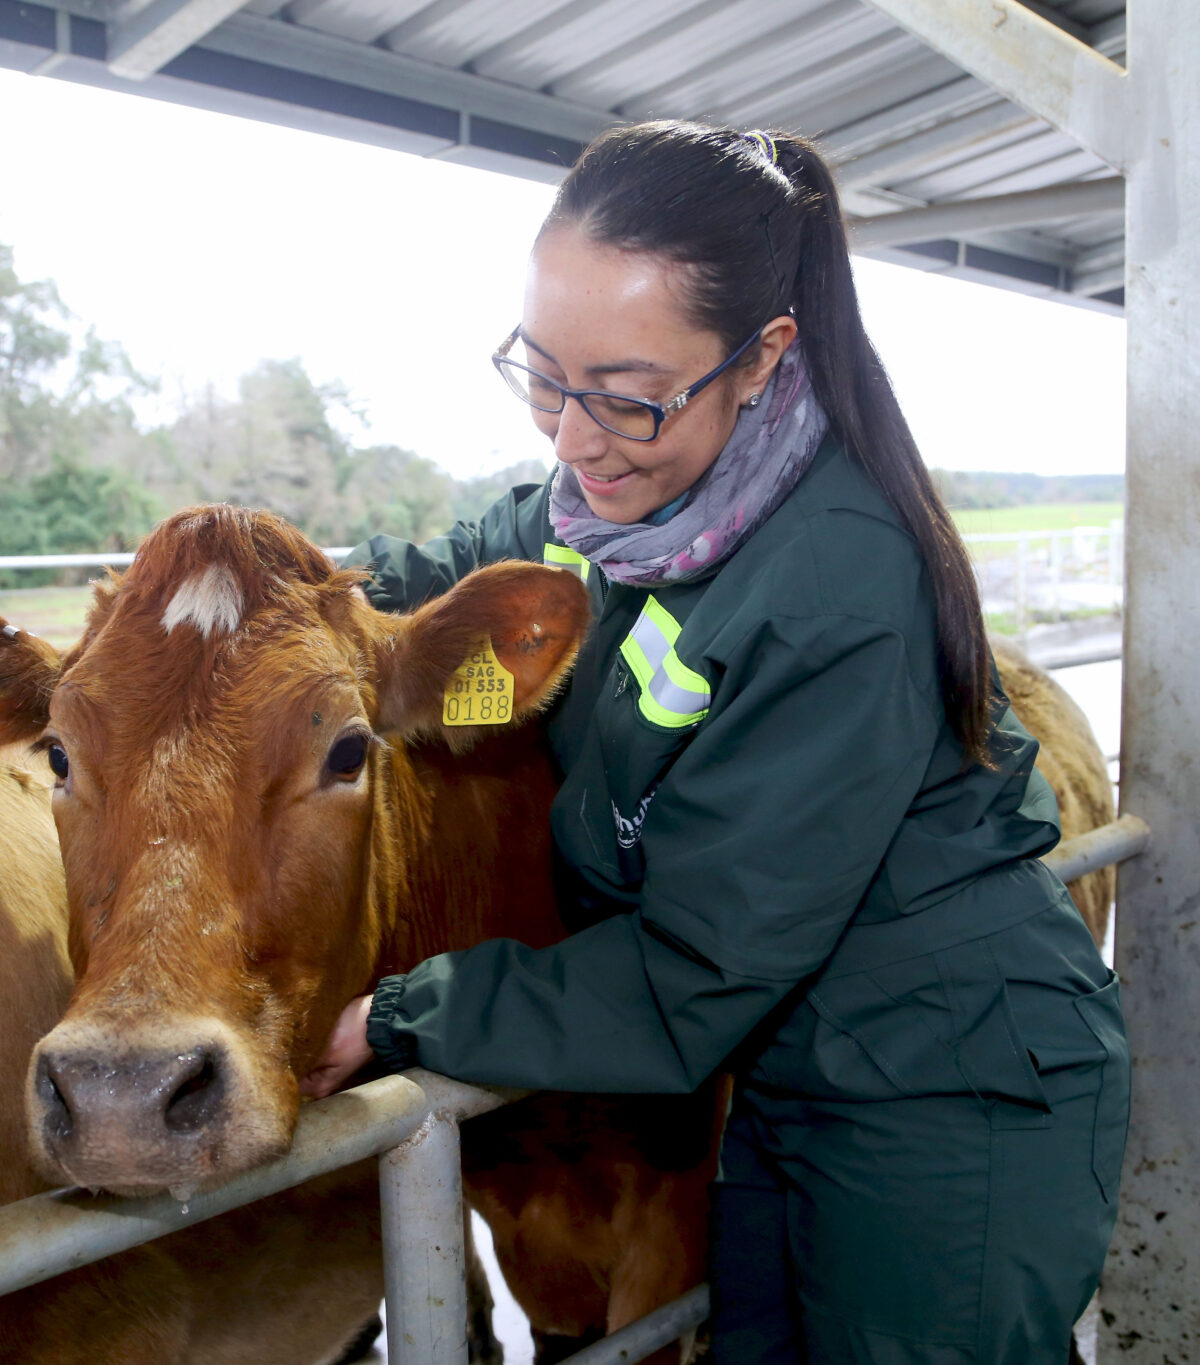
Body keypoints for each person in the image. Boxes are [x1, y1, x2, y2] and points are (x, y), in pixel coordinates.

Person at [301, 120, 1128, 1364]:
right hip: (788, 1074)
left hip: (945, 1089)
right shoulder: (601, 509)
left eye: (627, 397)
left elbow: (695, 965)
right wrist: (264, 588)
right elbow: (449, 575)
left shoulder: (838, 574)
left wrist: (404, 1013)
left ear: (761, 359)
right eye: (540, 376)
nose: (571, 440)